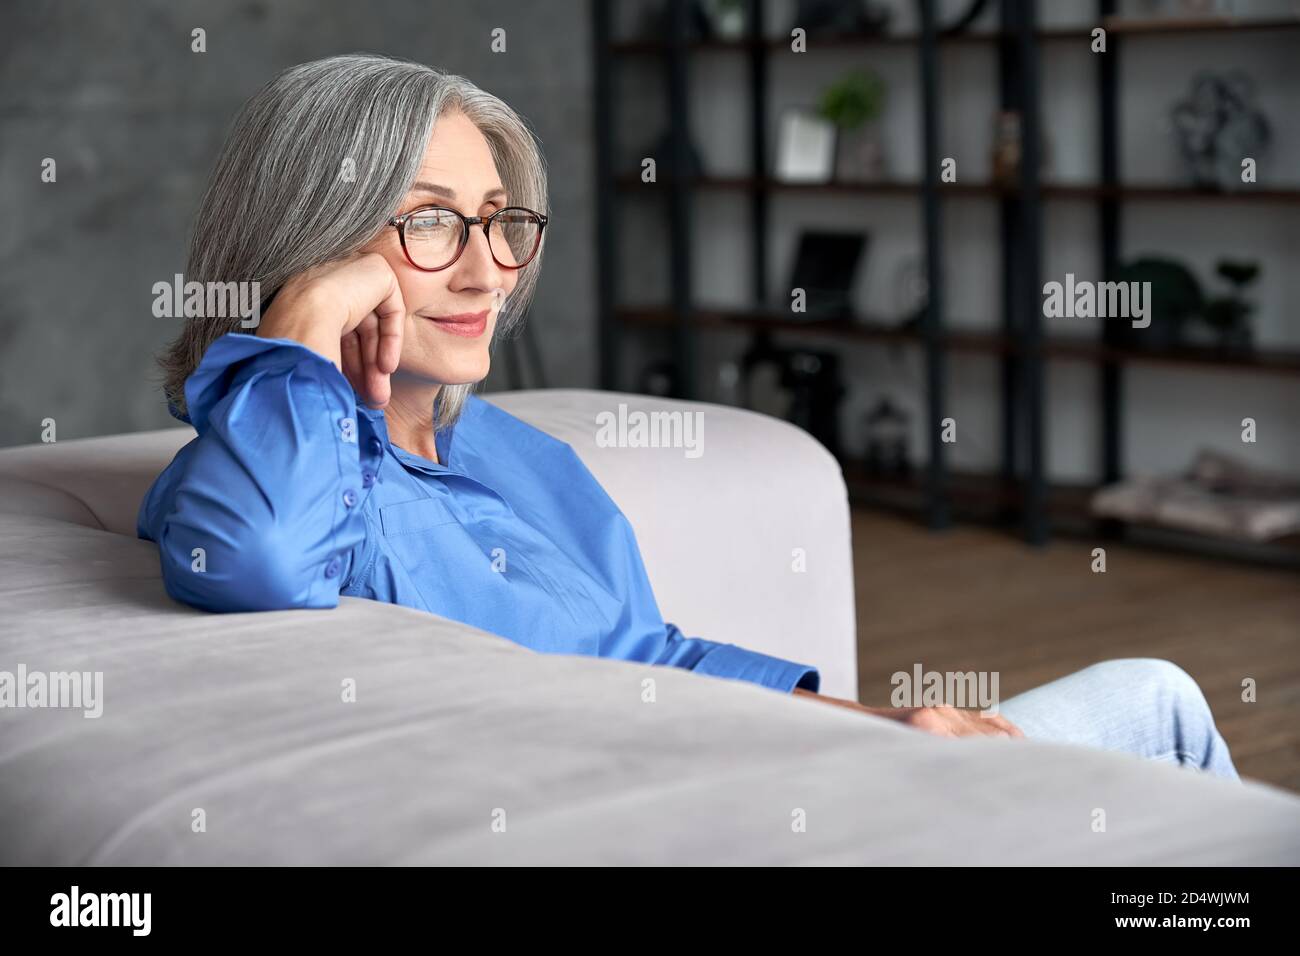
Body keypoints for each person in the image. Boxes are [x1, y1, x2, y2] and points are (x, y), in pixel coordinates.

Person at [139, 54, 1238, 782]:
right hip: (674, 825)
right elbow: (261, 560)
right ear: (313, 241)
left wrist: (881, 729)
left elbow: (651, 653)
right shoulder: (258, 473)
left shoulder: (520, 454)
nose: (488, 270)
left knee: (1155, 695)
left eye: (499, 221)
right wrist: (296, 335)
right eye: (429, 226)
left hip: (764, 775)